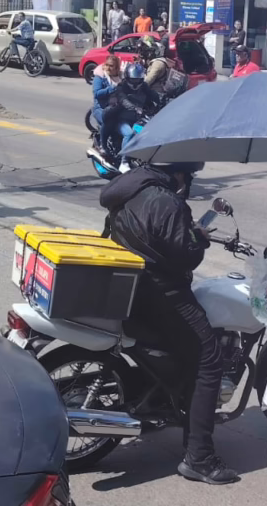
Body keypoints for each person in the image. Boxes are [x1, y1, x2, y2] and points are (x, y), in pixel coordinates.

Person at [98, 160, 238, 485]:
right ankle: (200, 458)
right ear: (179, 172)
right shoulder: (167, 200)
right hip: (161, 292)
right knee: (209, 359)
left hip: (133, 287)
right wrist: (199, 238)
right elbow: (187, 255)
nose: (187, 182)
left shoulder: (129, 187)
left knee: (189, 349)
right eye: (188, 175)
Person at [91, 54, 123, 153]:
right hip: (101, 109)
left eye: (111, 66)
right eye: (107, 65)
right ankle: (102, 145)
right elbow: (97, 93)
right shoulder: (100, 77)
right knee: (109, 121)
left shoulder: (120, 77)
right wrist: (111, 89)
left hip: (116, 108)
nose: (108, 68)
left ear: (117, 68)